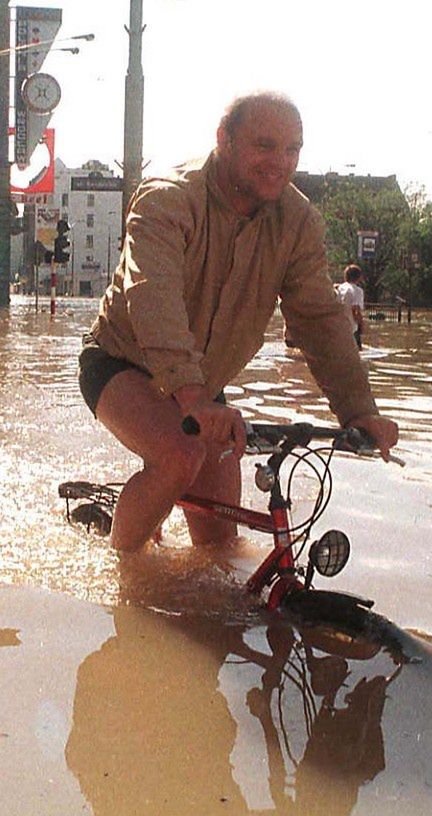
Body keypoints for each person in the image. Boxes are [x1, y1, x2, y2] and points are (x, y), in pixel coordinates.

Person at [78, 90, 399, 552]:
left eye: (293, 149)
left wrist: (360, 411)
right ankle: (125, 583)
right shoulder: (167, 198)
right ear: (224, 139)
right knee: (179, 457)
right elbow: (153, 296)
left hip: (202, 384)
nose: (280, 162)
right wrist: (191, 397)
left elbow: (320, 321)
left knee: (219, 548)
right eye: (265, 145)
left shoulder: (299, 221)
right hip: (121, 361)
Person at [335, 264, 366, 349]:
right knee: (356, 354)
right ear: (359, 277)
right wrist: (362, 325)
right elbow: (356, 310)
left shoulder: (339, 288)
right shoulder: (358, 291)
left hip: (337, 326)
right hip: (351, 328)